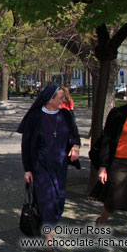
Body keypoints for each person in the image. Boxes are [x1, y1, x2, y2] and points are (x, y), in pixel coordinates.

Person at [18, 85, 80, 241]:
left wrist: (75, 146)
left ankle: (49, 223)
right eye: (61, 98)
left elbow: (74, 134)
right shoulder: (35, 117)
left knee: (59, 201)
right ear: (50, 99)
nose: (64, 101)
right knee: (46, 200)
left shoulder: (65, 115)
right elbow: (26, 145)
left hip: (60, 166)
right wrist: (27, 169)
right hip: (41, 166)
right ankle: (49, 240)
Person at [95, 80, 127, 226]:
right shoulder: (117, 114)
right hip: (119, 163)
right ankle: (101, 221)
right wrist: (102, 166)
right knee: (113, 198)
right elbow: (106, 141)